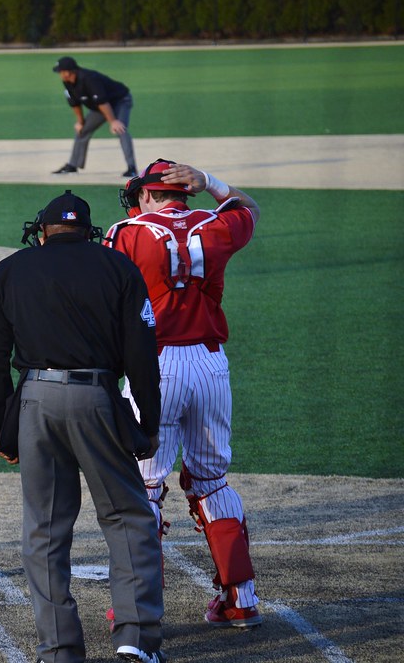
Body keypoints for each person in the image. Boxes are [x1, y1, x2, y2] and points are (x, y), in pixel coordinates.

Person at [0, 190, 166, 663]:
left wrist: (2, 429)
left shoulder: (9, 270)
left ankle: (60, 649)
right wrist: (148, 420)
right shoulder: (118, 268)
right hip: (97, 397)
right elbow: (142, 354)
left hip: (35, 402)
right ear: (88, 231)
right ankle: (135, 640)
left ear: (42, 231)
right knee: (127, 516)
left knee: (43, 529)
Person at [105, 159, 262, 629]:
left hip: (156, 366)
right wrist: (211, 182)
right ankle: (241, 600)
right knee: (213, 483)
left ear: (149, 195)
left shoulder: (126, 232)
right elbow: (250, 208)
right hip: (211, 365)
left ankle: (137, 609)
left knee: (144, 487)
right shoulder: (216, 223)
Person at [51, 56, 137, 178]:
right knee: (82, 130)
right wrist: (80, 122)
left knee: (120, 129)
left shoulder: (89, 78)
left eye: (61, 71)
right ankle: (72, 165)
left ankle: (132, 168)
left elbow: (102, 102)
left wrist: (113, 121)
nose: (60, 74)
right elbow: (75, 104)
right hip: (101, 107)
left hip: (120, 100)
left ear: (70, 71)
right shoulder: (67, 82)